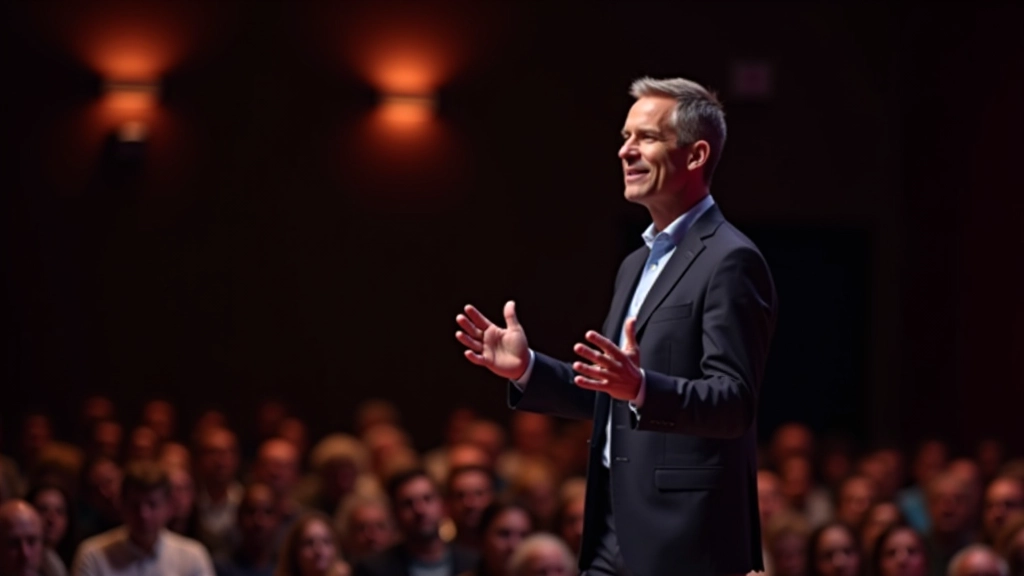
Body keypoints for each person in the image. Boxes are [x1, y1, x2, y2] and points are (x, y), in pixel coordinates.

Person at [455, 76, 777, 576]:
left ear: (695, 155)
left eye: (646, 137)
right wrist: (527, 369)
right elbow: (612, 392)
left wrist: (642, 387)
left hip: (684, 539)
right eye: (625, 137)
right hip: (613, 524)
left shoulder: (730, 260)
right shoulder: (635, 264)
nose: (625, 151)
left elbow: (734, 402)